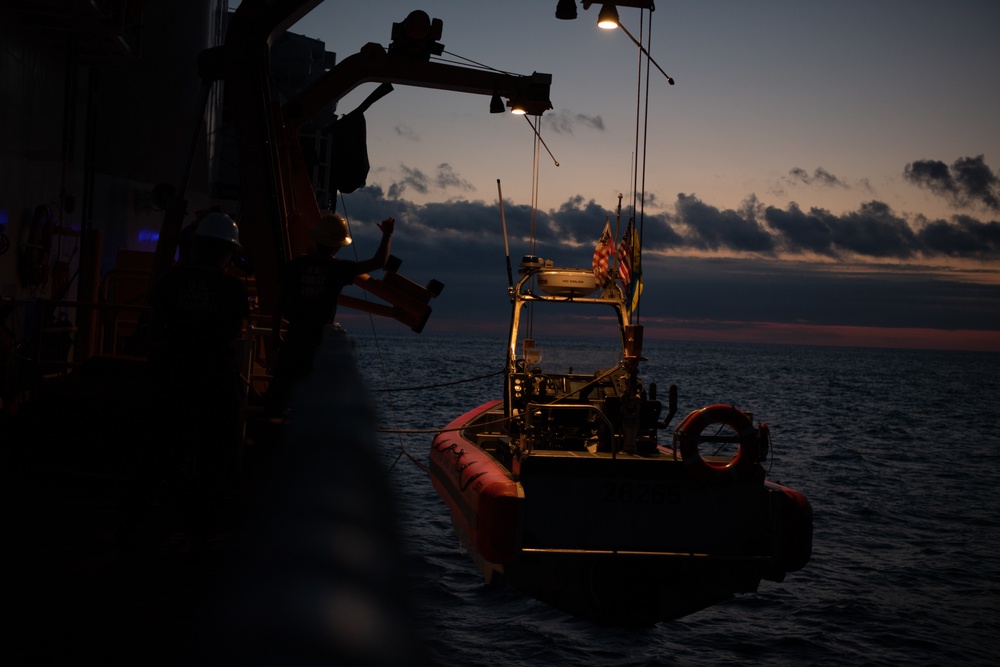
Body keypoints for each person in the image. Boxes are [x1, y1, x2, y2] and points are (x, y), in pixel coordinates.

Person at [147, 211, 250, 550]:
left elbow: (154, 322)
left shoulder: (170, 279)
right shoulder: (233, 286)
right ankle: (201, 530)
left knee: (168, 447)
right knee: (218, 452)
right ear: (227, 252)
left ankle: (157, 519)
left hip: (171, 372)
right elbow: (235, 331)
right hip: (213, 376)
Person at [265, 212, 394, 416]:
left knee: (276, 400)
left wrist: (274, 336)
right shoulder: (337, 269)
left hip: (293, 340)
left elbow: (279, 302)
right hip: (318, 346)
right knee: (316, 404)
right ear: (337, 245)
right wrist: (387, 234)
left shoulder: (295, 266)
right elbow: (379, 262)